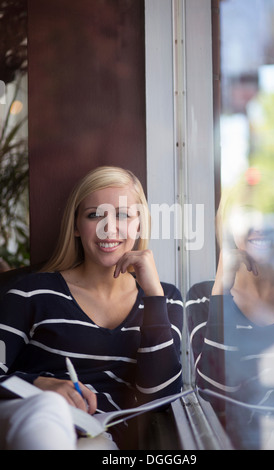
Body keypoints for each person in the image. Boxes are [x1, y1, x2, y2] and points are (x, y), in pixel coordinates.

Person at [0, 166, 183, 450]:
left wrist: (154, 296)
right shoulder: (31, 293)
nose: (108, 228)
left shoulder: (164, 298)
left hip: (101, 436)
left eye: (123, 215)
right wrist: (40, 384)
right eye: (94, 214)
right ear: (75, 226)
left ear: (140, 225)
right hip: (34, 419)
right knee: (49, 412)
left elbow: (161, 396)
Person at [187, 178, 274, 450]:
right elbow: (211, 397)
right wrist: (222, 289)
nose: (258, 224)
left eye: (269, 211)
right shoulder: (204, 297)